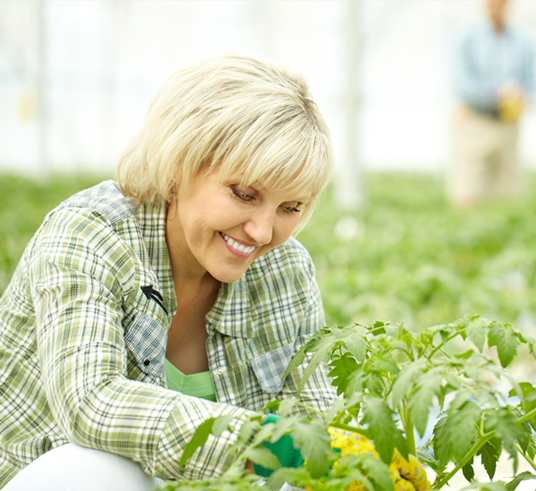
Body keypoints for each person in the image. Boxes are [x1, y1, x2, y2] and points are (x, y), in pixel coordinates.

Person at [0, 53, 427, 491]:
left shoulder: (285, 269)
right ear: (180, 164)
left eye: (289, 208)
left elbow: (316, 413)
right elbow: (91, 404)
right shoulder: (91, 236)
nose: (262, 232)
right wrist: (272, 445)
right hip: (46, 479)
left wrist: (369, 456)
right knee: (93, 470)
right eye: (244, 194)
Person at [448, 0, 536, 208]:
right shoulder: (467, 38)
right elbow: (460, 82)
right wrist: (495, 95)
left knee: (509, 192)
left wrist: (523, 98)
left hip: (508, 124)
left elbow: (533, 82)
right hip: (475, 122)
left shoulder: (523, 41)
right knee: (468, 191)